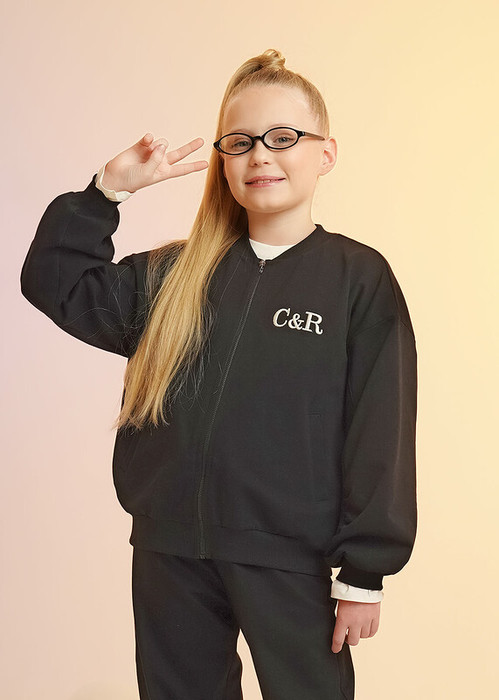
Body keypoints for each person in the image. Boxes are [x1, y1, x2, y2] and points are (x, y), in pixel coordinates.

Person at [20, 48, 418, 700]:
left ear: (325, 153)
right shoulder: (171, 276)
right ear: (223, 162)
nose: (260, 155)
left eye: (282, 137)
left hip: (290, 557)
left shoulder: (357, 279)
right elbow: (55, 282)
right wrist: (106, 191)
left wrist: (364, 574)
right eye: (240, 142)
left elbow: (380, 429)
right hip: (169, 553)